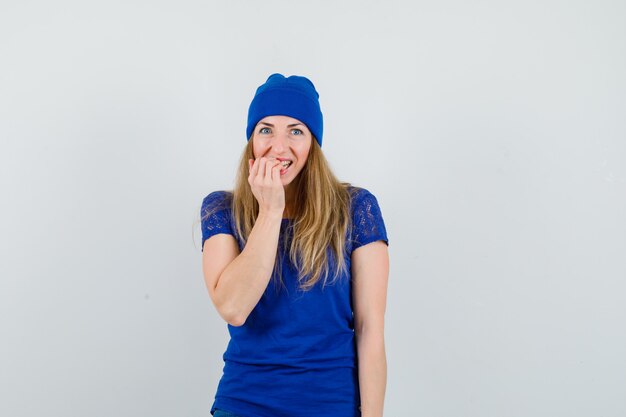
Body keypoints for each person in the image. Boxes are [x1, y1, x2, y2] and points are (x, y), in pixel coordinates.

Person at [200, 73, 389, 417]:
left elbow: (369, 329)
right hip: (244, 403)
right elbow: (233, 308)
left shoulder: (356, 208)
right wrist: (271, 211)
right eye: (266, 130)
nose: (279, 146)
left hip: (330, 405)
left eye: (296, 131)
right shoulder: (221, 210)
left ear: (313, 144)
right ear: (252, 141)